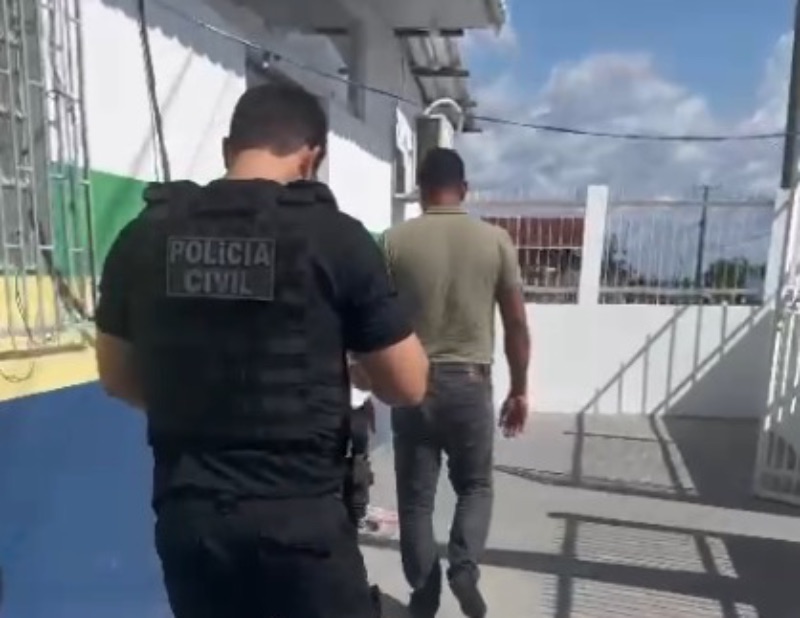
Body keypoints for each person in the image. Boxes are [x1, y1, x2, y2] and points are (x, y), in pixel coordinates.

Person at [93, 82, 429, 618]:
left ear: (228, 148)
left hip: (191, 521)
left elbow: (116, 376)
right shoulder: (336, 239)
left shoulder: (143, 236)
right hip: (300, 526)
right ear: (312, 157)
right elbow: (408, 384)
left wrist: (206, 403)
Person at [381, 147, 531, 618]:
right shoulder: (496, 241)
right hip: (470, 382)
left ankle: (424, 598)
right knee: (475, 486)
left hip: (412, 384)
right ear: (464, 189)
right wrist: (520, 388)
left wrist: (368, 373)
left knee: (416, 502)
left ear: (420, 190)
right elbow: (516, 324)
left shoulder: (393, 242)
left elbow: (374, 317)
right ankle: (463, 567)